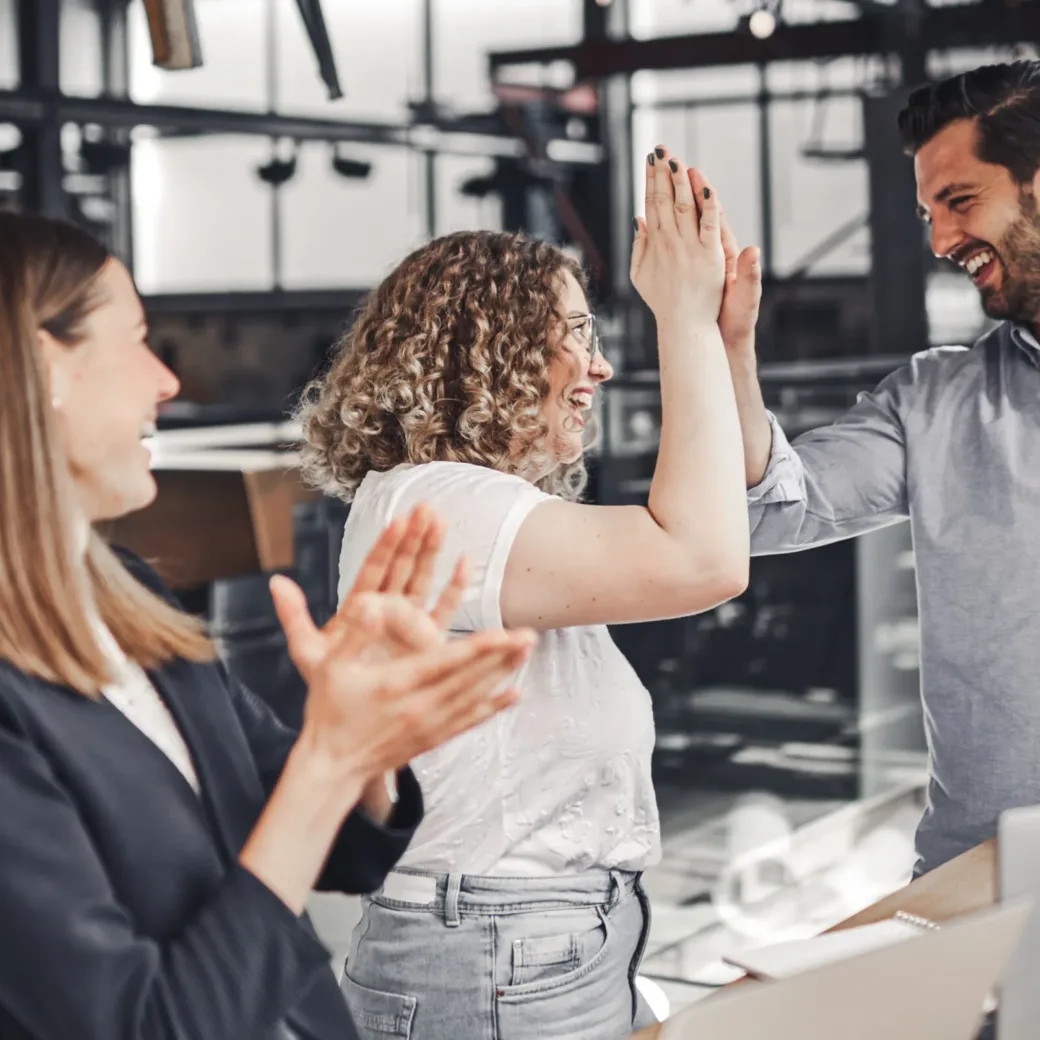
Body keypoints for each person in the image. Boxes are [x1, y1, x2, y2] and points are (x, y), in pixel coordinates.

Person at [0, 210, 536, 1040]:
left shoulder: (127, 600)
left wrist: (367, 740)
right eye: (138, 339)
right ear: (45, 368)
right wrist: (332, 758)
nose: (166, 381)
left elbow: (330, 846)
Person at [299, 149, 750, 1039]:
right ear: (489, 347)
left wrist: (722, 341)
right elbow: (704, 559)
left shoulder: (463, 501)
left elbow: (719, 505)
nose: (598, 366)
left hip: (526, 941)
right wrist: (682, 322)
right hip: (493, 949)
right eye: (578, 333)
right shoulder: (442, 503)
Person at [714, 60, 1040, 879]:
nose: (939, 241)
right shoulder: (936, 402)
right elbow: (766, 507)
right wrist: (723, 348)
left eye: (961, 201)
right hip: (982, 888)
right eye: (930, 212)